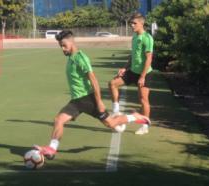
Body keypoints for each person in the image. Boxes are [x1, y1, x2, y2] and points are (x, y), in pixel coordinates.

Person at [34, 30, 151, 158]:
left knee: (111, 124)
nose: (62, 49)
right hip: (76, 101)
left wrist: (99, 102)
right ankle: (52, 149)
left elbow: (93, 80)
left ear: (71, 42)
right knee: (59, 120)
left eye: (64, 45)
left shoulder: (81, 58)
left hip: (88, 99)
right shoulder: (71, 58)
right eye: (60, 46)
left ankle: (134, 116)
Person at [108, 13, 154, 135]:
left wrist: (143, 76)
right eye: (131, 23)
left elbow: (149, 59)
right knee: (113, 84)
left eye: (134, 23)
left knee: (143, 100)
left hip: (144, 73)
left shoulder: (147, 38)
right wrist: (124, 67)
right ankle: (116, 111)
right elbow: (133, 55)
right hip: (132, 71)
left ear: (141, 23)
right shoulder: (134, 36)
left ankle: (145, 126)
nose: (132, 25)